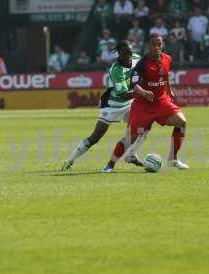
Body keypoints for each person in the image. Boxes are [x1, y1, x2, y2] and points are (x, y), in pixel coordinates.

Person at [102, 33, 188, 172]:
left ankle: (173, 159)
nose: (157, 47)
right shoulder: (142, 64)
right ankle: (110, 165)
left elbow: (165, 77)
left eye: (159, 44)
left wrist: (169, 90)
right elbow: (134, 84)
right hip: (143, 105)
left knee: (182, 122)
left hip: (161, 102)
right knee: (131, 137)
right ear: (149, 46)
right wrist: (143, 93)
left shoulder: (167, 59)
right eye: (154, 44)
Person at [62, 41, 145, 171]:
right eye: (125, 54)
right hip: (113, 105)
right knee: (95, 137)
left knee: (142, 127)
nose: (128, 56)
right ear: (119, 54)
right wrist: (143, 93)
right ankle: (70, 160)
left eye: (130, 53)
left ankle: (131, 155)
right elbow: (123, 95)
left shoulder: (136, 58)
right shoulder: (116, 70)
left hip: (129, 104)